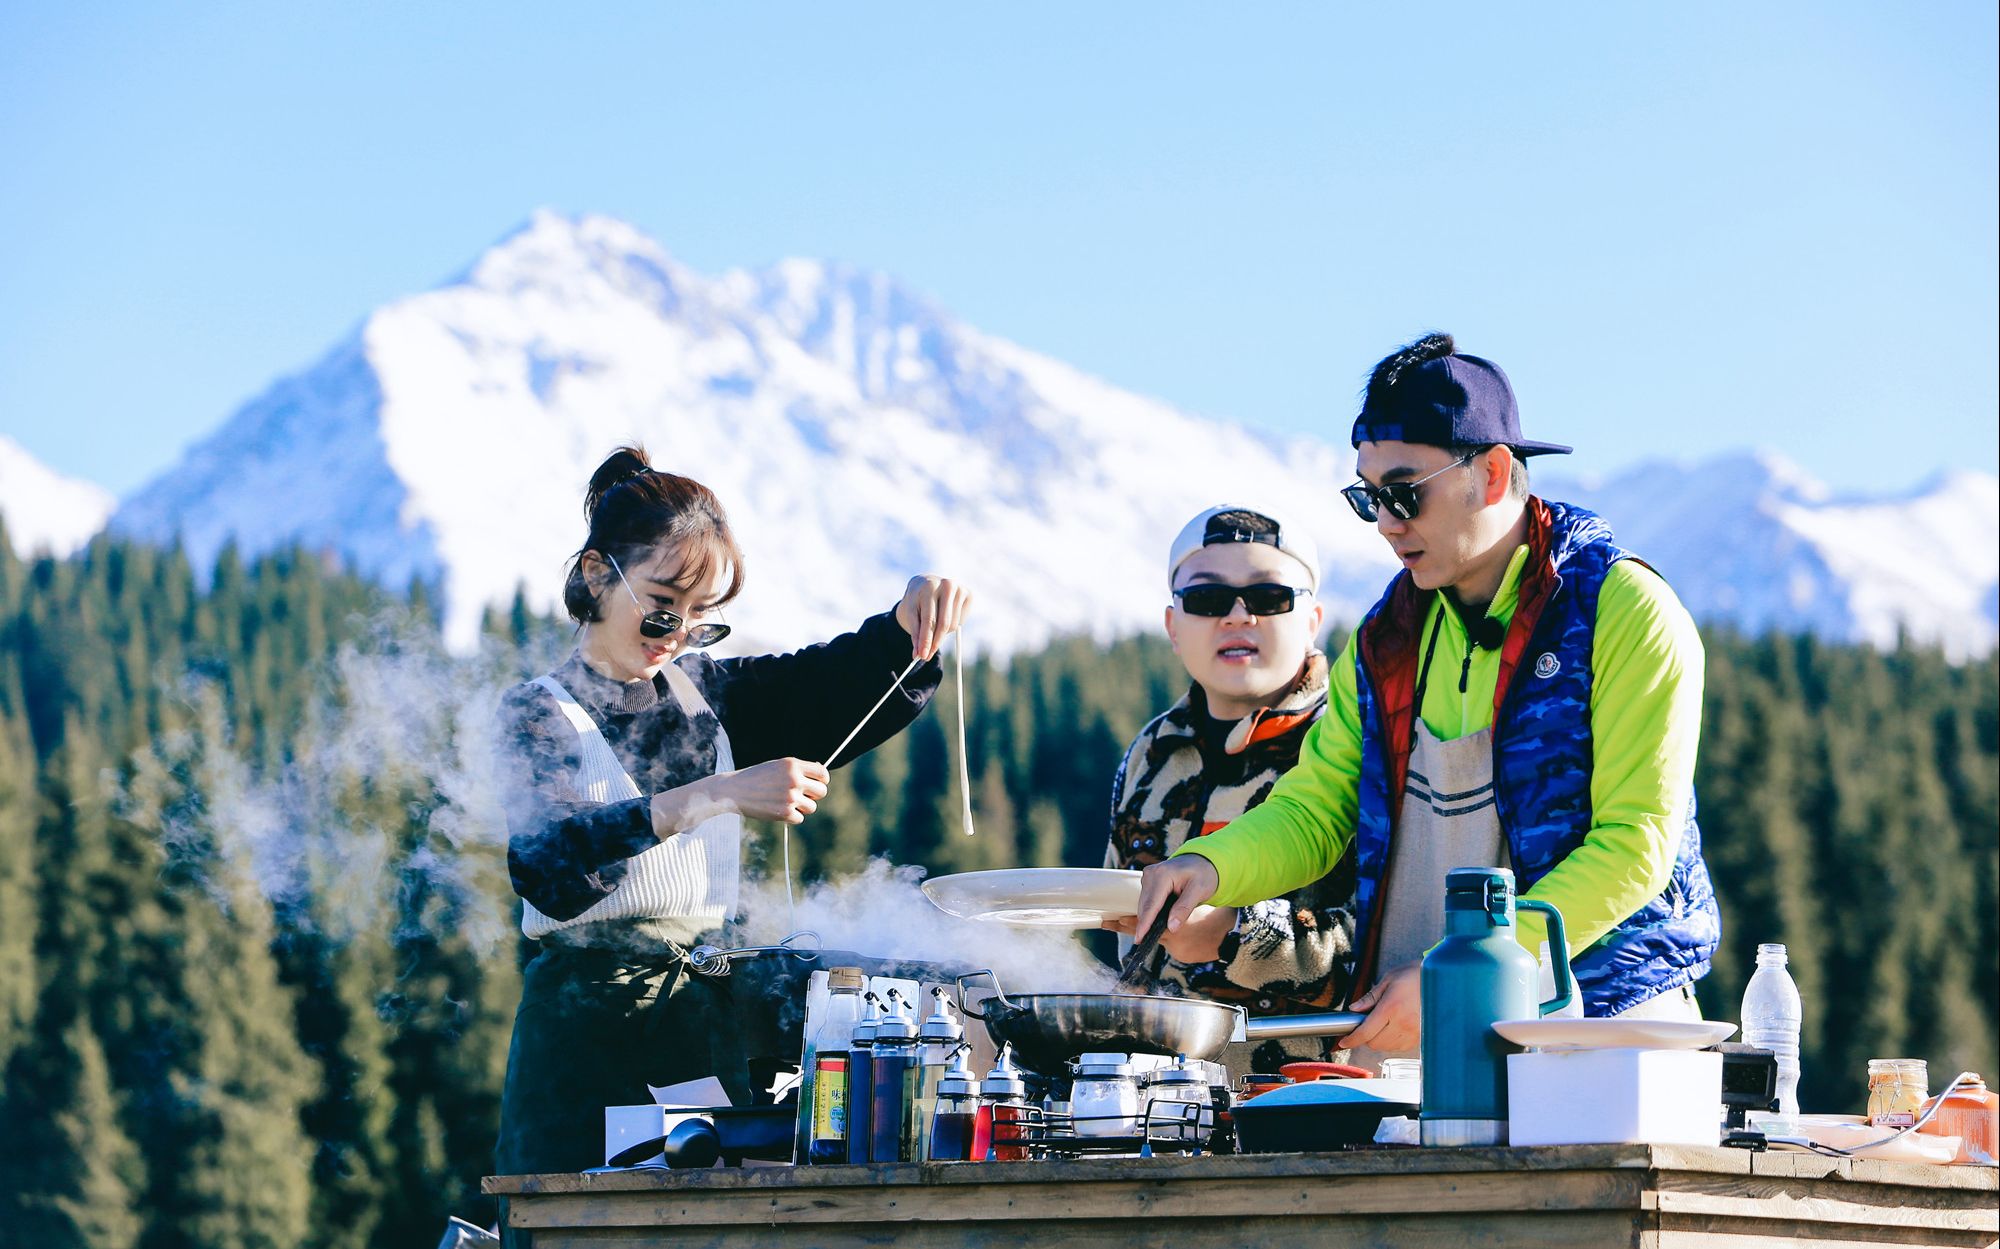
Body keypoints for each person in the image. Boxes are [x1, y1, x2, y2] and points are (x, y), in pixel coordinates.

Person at [1133, 333, 1719, 1060]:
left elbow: (1633, 846)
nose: (1386, 522)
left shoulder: (1625, 610)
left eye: (1405, 492)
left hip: (1606, 1032)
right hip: (1432, 1039)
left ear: (1494, 472)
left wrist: (1465, 975)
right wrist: (1208, 867)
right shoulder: (1386, 639)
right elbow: (1314, 810)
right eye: (1368, 498)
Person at [493, 445, 971, 1176]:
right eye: (662, 608)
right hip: (581, 1047)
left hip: (701, 1030)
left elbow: (830, 683)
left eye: (700, 619)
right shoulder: (537, 711)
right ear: (596, 574)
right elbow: (547, 867)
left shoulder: (708, 696)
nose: (677, 635)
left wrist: (907, 625)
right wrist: (713, 795)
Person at [1102, 505, 1357, 1072]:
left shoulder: (1359, 745)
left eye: (1269, 597)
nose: (1239, 616)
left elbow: (1400, 957)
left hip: (1312, 1097)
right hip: (1155, 1098)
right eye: (1208, 599)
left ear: (1312, 620)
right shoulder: (1150, 753)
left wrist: (1232, 935)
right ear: (1173, 626)